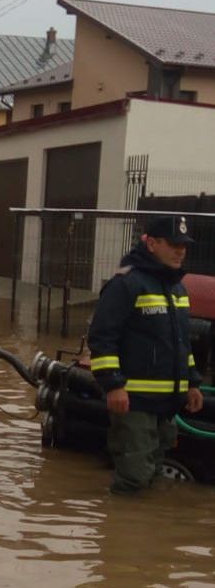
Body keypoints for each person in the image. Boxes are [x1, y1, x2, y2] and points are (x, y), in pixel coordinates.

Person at [88, 212, 204, 495]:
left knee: (153, 473)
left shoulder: (177, 288)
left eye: (184, 245)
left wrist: (191, 382)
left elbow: (181, 343)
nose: (181, 251)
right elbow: (102, 339)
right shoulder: (127, 284)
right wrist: (113, 385)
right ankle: (117, 532)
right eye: (173, 244)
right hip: (134, 402)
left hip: (166, 404)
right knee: (135, 477)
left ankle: (138, 532)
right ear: (151, 244)